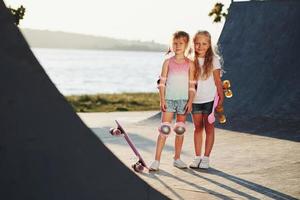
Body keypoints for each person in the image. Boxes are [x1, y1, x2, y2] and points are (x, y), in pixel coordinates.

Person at [149, 31, 196, 171]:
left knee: (180, 130)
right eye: (175, 43)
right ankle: (156, 160)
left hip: (183, 100)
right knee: (164, 129)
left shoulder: (190, 64)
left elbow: (192, 85)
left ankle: (177, 159)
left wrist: (190, 102)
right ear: (172, 44)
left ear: (186, 45)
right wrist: (162, 99)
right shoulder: (168, 62)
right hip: (169, 100)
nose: (177, 46)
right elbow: (162, 83)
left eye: (181, 43)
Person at [189, 30, 224, 169]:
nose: (200, 46)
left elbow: (217, 80)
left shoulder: (214, 60)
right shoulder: (190, 60)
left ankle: (206, 157)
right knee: (198, 128)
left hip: (210, 100)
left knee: (209, 128)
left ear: (209, 44)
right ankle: (197, 157)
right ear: (193, 44)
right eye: (197, 43)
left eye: (204, 43)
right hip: (195, 100)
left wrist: (221, 97)